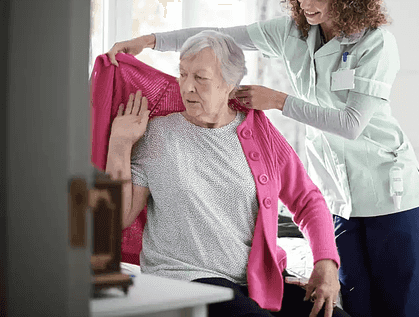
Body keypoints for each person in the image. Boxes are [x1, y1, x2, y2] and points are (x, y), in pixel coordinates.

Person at [107, 0, 419, 316]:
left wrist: (278, 100)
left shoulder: (375, 44)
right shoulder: (291, 32)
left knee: (403, 306)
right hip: (341, 195)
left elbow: (351, 125)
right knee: (359, 304)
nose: (306, 2)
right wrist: (150, 41)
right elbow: (220, 34)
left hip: (390, 191)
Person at [105, 30, 350, 317]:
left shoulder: (259, 132)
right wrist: (119, 144)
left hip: (254, 284)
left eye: (201, 77)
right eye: (183, 74)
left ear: (229, 84)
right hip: (186, 279)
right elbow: (118, 217)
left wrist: (326, 263)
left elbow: (308, 199)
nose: (187, 87)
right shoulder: (159, 134)